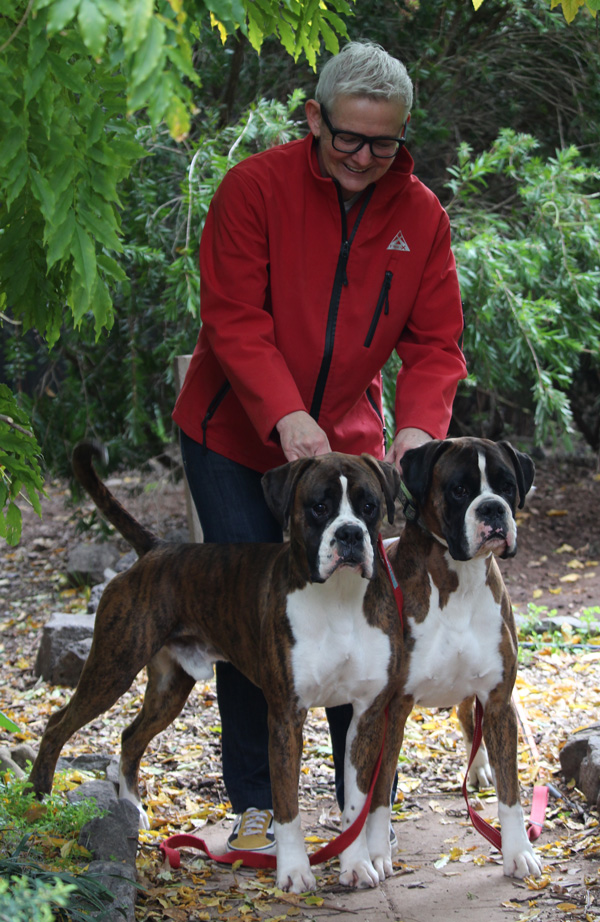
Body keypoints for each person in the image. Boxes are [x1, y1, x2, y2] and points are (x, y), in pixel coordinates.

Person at [173, 41, 467, 853]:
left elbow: (437, 343)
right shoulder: (253, 188)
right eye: (349, 139)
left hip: (348, 440)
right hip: (235, 434)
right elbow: (233, 317)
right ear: (314, 119)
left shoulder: (423, 218)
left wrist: (418, 427)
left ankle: (362, 795)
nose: (367, 159)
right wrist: (283, 414)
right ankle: (262, 802)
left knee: (360, 603)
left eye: (386, 143)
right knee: (254, 606)